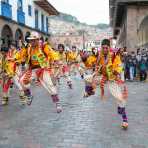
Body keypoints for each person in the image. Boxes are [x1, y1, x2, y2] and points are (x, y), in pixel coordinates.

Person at [21, 32, 62, 113]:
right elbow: (22, 55)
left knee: (50, 85)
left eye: (33, 40)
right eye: (30, 40)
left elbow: (52, 53)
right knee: (22, 81)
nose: (32, 42)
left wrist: (57, 60)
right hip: (32, 70)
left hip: (43, 69)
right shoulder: (28, 48)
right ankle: (29, 96)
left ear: (37, 40)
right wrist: (19, 59)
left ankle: (57, 103)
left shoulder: (44, 46)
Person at [97, 39, 128, 129]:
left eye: (106, 48)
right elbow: (97, 67)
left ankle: (125, 120)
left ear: (109, 47)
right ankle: (89, 92)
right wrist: (99, 69)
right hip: (104, 77)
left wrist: (115, 71)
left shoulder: (114, 56)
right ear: (101, 48)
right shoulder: (100, 56)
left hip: (113, 80)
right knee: (88, 79)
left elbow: (119, 67)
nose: (105, 50)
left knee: (120, 99)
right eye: (103, 48)